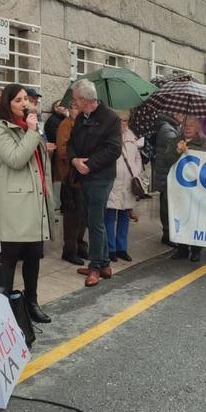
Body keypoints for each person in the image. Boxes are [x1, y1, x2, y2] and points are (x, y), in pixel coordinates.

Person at [0, 84, 54, 323]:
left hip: (33, 199)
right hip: (13, 203)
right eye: (18, 100)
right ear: (6, 104)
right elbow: (15, 159)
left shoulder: (27, 127)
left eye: (26, 99)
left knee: (34, 254)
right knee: (11, 256)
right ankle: (4, 306)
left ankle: (31, 302)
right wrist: (33, 133)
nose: (24, 104)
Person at [68, 79, 122, 287]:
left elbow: (113, 149)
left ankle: (95, 267)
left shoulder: (110, 118)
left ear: (84, 99)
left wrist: (89, 164)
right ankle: (105, 264)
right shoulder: (82, 117)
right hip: (84, 175)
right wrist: (74, 160)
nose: (74, 103)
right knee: (93, 219)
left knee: (95, 221)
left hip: (101, 176)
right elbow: (72, 143)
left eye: (75, 99)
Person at [167, 117, 206, 262]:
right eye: (185, 125)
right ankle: (182, 248)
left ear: (197, 129)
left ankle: (196, 250)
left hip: (196, 188)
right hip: (179, 187)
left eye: (191, 126)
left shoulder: (203, 143)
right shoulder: (176, 141)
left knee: (195, 217)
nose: (188, 128)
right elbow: (166, 158)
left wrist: (189, 151)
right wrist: (177, 151)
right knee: (180, 216)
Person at [105, 111, 141, 263]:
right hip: (113, 182)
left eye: (126, 120)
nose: (123, 124)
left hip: (128, 183)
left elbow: (137, 158)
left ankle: (122, 248)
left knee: (125, 217)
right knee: (110, 216)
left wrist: (136, 173)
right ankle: (110, 249)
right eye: (120, 120)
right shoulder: (107, 136)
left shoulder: (131, 137)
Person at [55, 104, 88, 266]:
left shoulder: (83, 124)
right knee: (72, 216)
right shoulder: (65, 125)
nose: (78, 110)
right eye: (75, 107)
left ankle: (80, 244)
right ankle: (69, 250)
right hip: (70, 176)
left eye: (79, 107)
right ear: (69, 109)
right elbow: (62, 150)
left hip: (83, 176)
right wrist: (77, 155)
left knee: (83, 215)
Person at [151, 111, 185, 247]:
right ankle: (167, 234)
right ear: (174, 114)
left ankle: (170, 232)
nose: (183, 115)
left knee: (168, 203)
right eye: (181, 113)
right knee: (167, 205)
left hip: (168, 172)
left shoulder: (173, 127)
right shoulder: (167, 129)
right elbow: (171, 151)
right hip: (166, 173)